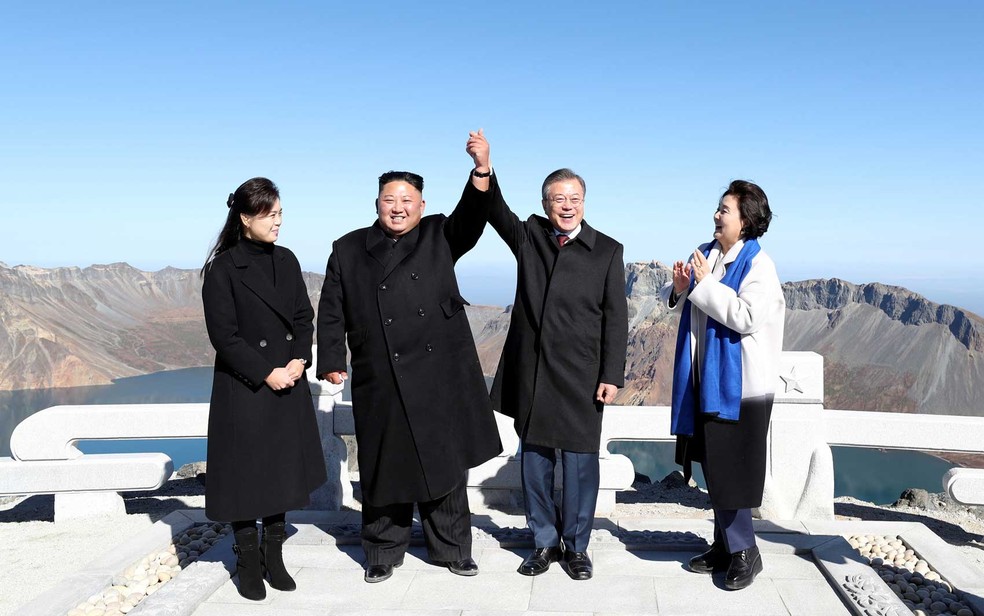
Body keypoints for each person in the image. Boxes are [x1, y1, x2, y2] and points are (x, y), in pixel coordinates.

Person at [316, 131, 502, 583]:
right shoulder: (348, 247)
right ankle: (382, 551)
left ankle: (454, 549)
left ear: (421, 204)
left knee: (444, 464)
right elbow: (332, 306)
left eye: (406, 199)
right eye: (388, 199)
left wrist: (481, 169)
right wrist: (330, 358)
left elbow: (473, 217)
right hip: (379, 370)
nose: (397, 207)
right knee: (384, 463)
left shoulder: (440, 233)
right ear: (376, 204)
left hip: (439, 373)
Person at [486, 153, 628, 581]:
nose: (567, 206)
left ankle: (578, 547)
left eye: (575, 198)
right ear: (546, 203)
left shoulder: (606, 249)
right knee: (535, 461)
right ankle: (544, 543)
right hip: (534, 372)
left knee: (582, 465)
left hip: (583, 375)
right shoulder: (530, 237)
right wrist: (484, 168)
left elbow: (616, 318)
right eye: (558, 199)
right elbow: (494, 209)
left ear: (584, 202)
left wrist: (612, 374)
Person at [201, 177, 327, 601]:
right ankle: (247, 558)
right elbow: (225, 336)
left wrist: (298, 359)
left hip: (287, 380)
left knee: (280, 471)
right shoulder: (222, 268)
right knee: (244, 476)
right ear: (245, 218)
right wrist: (265, 372)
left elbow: (302, 316)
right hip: (245, 386)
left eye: (280, 214)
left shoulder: (286, 261)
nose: (278, 222)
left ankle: (274, 556)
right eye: (269, 215)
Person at [662, 180, 785, 590]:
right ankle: (723, 545)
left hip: (740, 388)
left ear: (746, 221)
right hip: (707, 380)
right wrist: (681, 290)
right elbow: (696, 303)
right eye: (717, 209)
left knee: (732, 470)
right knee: (715, 466)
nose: (717, 216)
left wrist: (700, 286)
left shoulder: (758, 265)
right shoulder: (710, 254)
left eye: (724, 210)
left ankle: (746, 552)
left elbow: (745, 317)